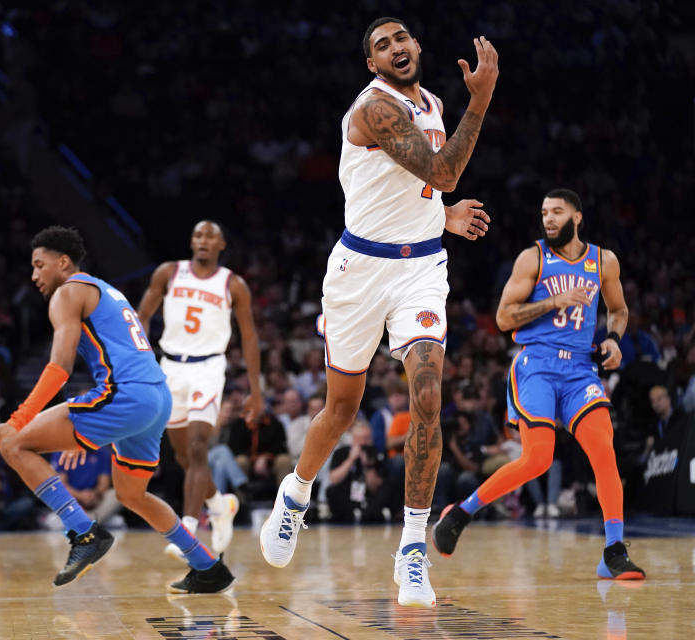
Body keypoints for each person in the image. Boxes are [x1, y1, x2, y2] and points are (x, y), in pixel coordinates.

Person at [259, 16, 498, 609]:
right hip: (359, 273)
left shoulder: (436, 103)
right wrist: (484, 101)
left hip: (421, 270)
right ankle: (295, 493)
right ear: (372, 64)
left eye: (402, 39)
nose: (395, 48)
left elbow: (420, 188)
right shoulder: (374, 108)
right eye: (382, 45)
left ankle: (411, 552)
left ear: (418, 46)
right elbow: (443, 172)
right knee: (340, 410)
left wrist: (439, 217)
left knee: (427, 397)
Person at [0, 226, 234, 593]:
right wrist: (80, 432)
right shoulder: (106, 290)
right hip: (156, 398)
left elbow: (59, 368)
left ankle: (83, 533)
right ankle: (207, 567)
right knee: (132, 495)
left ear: (63, 262)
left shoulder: (67, 293)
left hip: (128, 396)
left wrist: (15, 421)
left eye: (39, 265)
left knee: (15, 444)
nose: (34, 275)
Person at [433, 188, 646, 580]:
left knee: (604, 449)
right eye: (544, 212)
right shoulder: (533, 258)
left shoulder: (604, 261)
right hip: (537, 365)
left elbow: (618, 310)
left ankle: (613, 551)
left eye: (557, 212)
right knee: (538, 459)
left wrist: (614, 339)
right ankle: (462, 512)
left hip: (581, 370)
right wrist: (553, 301)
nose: (548, 219)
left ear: (577, 217)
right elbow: (502, 318)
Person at [137, 220, 262, 560]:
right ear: (191, 242)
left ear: (222, 244)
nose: (203, 240)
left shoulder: (232, 284)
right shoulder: (168, 273)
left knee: (197, 447)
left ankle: (188, 530)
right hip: (170, 367)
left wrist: (256, 390)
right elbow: (141, 316)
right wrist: (141, 358)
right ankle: (221, 505)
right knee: (183, 456)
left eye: (210, 236)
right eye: (197, 235)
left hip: (208, 367)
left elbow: (249, 337)